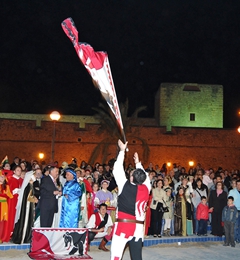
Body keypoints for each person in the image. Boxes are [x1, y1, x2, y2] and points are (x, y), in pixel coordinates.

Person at [110, 140, 151, 260]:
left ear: (131, 178)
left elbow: (117, 169)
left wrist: (122, 150)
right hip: (138, 229)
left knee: (116, 257)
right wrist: (138, 163)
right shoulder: (147, 188)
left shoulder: (124, 185)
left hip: (123, 226)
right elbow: (146, 178)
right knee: (137, 258)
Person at [0, 170, 13, 243]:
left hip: (4, 205)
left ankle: (1, 237)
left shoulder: (6, 187)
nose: (2, 178)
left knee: (2, 222)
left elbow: (10, 196)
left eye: (3, 177)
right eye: (0, 177)